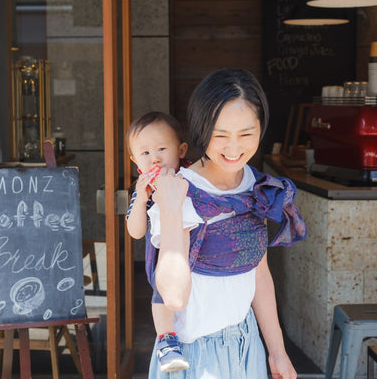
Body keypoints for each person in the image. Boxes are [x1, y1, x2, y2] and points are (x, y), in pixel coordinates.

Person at [147, 68, 307, 378]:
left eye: (246, 134)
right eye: (220, 136)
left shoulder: (254, 186)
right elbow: (174, 296)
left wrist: (277, 352)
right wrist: (169, 211)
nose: (234, 149)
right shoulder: (179, 192)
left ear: (262, 129)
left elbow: (259, 274)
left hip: (247, 345)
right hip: (192, 357)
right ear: (200, 129)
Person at [125, 111, 191, 372]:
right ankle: (166, 341)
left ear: (182, 149)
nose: (154, 158)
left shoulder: (191, 178)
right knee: (161, 293)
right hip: (164, 257)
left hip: (195, 252)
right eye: (144, 153)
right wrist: (141, 198)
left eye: (162, 148)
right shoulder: (144, 188)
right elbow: (135, 231)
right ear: (135, 161)